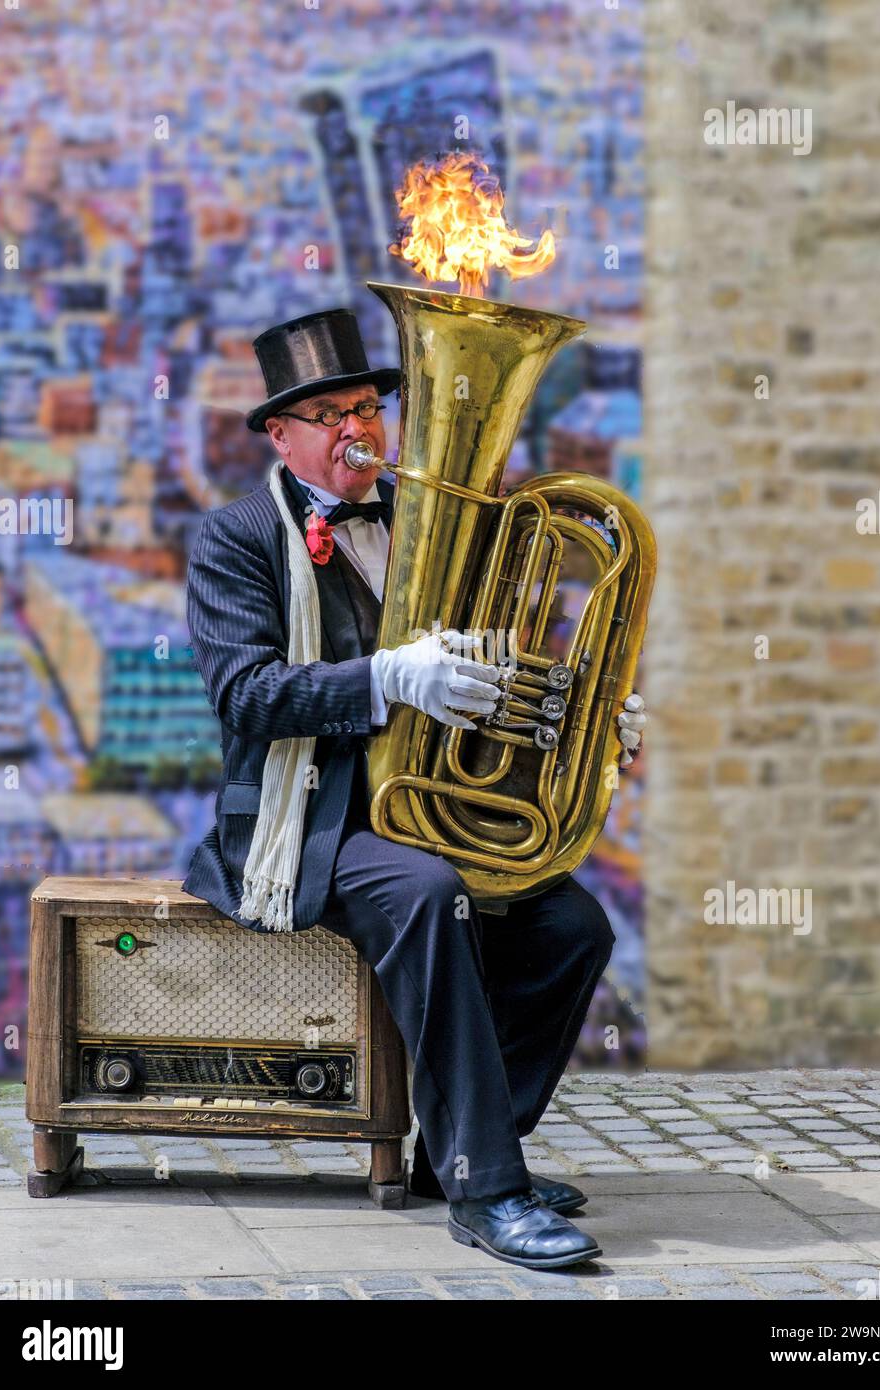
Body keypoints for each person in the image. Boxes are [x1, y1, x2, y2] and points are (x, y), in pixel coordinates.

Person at [183, 308, 648, 1271]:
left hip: (425, 808)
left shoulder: (436, 525)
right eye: (327, 413)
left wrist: (584, 721)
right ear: (282, 433)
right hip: (306, 821)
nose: (358, 428)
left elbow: (491, 675)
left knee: (574, 927)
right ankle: (491, 1192)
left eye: (367, 406)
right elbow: (247, 698)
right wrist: (386, 676)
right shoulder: (232, 539)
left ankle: (459, 1150)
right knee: (431, 899)